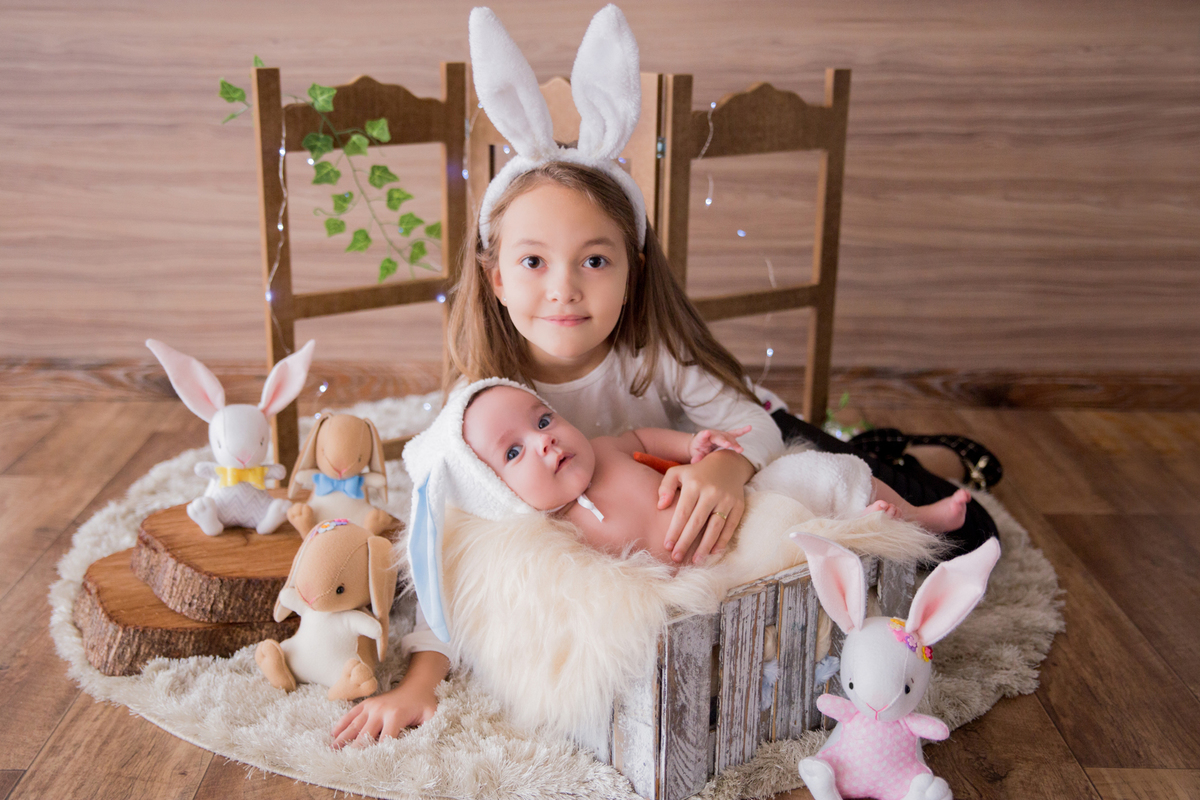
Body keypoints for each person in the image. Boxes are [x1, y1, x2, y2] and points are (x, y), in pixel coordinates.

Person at [332, 4, 996, 747]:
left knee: (942, 518)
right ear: (493, 279)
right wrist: (421, 678)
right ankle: (897, 450)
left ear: (632, 270)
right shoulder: (485, 415)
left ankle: (909, 454)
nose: (564, 289)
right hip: (668, 473)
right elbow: (446, 556)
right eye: (532, 262)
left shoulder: (652, 359)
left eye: (594, 259)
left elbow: (756, 428)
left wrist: (725, 471)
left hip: (728, 436)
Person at [459, 382, 969, 565]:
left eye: (543, 419)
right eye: (514, 453)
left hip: (744, 505)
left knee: (824, 470)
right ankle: (857, 532)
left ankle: (915, 517)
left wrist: (693, 445)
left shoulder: (603, 447)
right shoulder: (550, 536)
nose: (544, 439)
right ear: (499, 495)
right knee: (801, 560)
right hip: (722, 573)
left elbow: (646, 439)